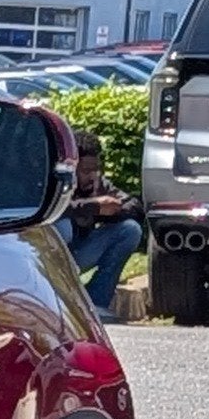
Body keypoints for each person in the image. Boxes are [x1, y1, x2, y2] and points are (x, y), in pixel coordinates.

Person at [63, 112, 143, 314]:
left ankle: (96, 302)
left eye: (95, 169)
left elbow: (134, 205)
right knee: (61, 226)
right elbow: (59, 209)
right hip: (55, 256)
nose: (92, 176)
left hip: (82, 251)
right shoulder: (58, 182)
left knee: (130, 230)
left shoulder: (99, 184)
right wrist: (93, 206)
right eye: (85, 170)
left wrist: (112, 210)